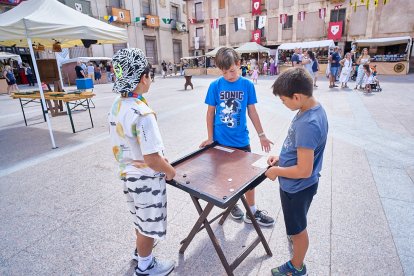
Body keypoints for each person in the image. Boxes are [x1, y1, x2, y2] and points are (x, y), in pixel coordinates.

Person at [108, 48, 175, 276]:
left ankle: (140, 253)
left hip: (127, 175)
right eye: (150, 75)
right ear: (144, 77)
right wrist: (170, 171)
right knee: (148, 225)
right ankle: (145, 266)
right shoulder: (142, 113)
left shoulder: (117, 105)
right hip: (145, 178)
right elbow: (152, 158)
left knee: (139, 219)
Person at [199, 47, 275, 227]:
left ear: (239, 64)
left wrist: (262, 135)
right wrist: (210, 138)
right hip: (220, 142)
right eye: (224, 72)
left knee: (249, 179)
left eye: (232, 71)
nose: (228, 75)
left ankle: (252, 211)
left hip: (241, 141)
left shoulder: (247, 85)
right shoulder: (215, 86)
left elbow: (252, 111)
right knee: (224, 176)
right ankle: (232, 206)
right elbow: (210, 113)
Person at [266, 67, 328, 276]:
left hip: (297, 187)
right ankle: (295, 247)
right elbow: (298, 149)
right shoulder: (310, 109)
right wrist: (281, 159)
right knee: (295, 225)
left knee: (298, 230)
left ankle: (297, 266)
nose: (283, 104)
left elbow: (303, 170)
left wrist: (277, 171)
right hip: (299, 185)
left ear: (297, 96)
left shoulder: (308, 123)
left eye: (284, 100)